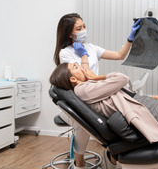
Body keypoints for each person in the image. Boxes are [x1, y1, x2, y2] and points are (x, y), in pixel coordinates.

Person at [53, 13, 141, 169]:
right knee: (83, 124)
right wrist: (84, 56)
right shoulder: (65, 53)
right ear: (69, 33)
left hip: (95, 98)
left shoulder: (91, 48)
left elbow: (120, 55)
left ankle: (113, 157)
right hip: (78, 102)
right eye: (79, 28)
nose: (83, 30)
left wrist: (131, 38)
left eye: (84, 26)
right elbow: (83, 79)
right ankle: (79, 163)